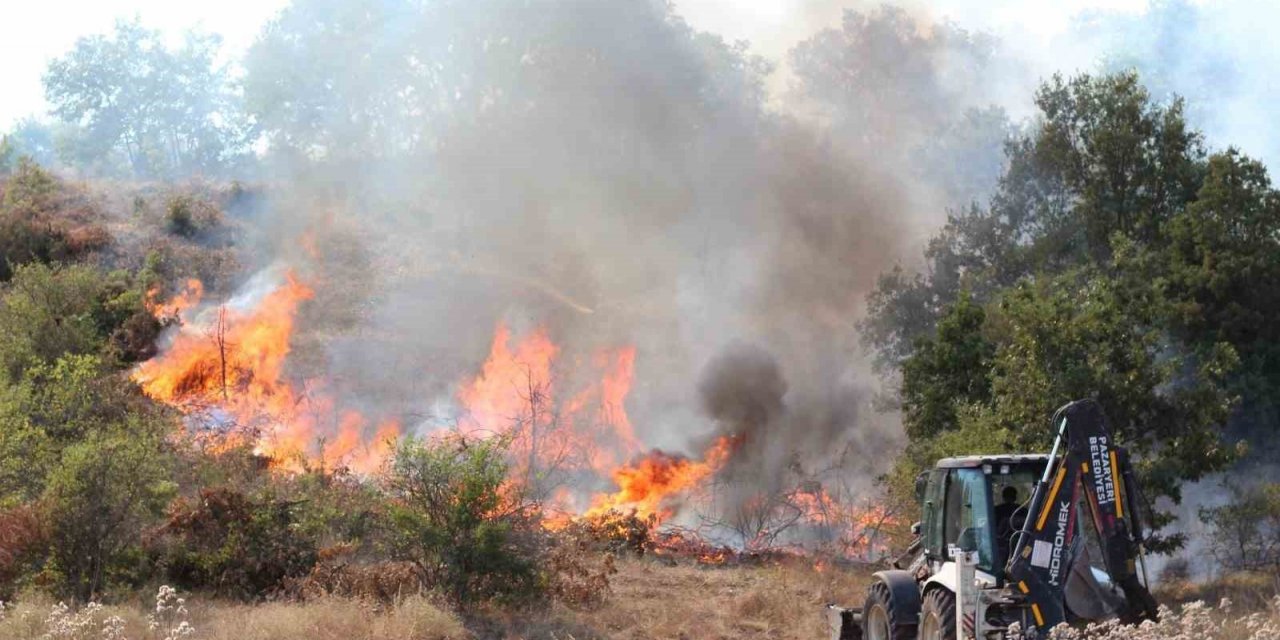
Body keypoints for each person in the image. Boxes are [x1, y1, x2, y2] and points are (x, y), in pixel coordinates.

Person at [994, 486, 1020, 564]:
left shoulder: (996, 510)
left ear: (1003, 497)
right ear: (1015, 497)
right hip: (1018, 546)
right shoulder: (1022, 510)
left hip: (1000, 546)